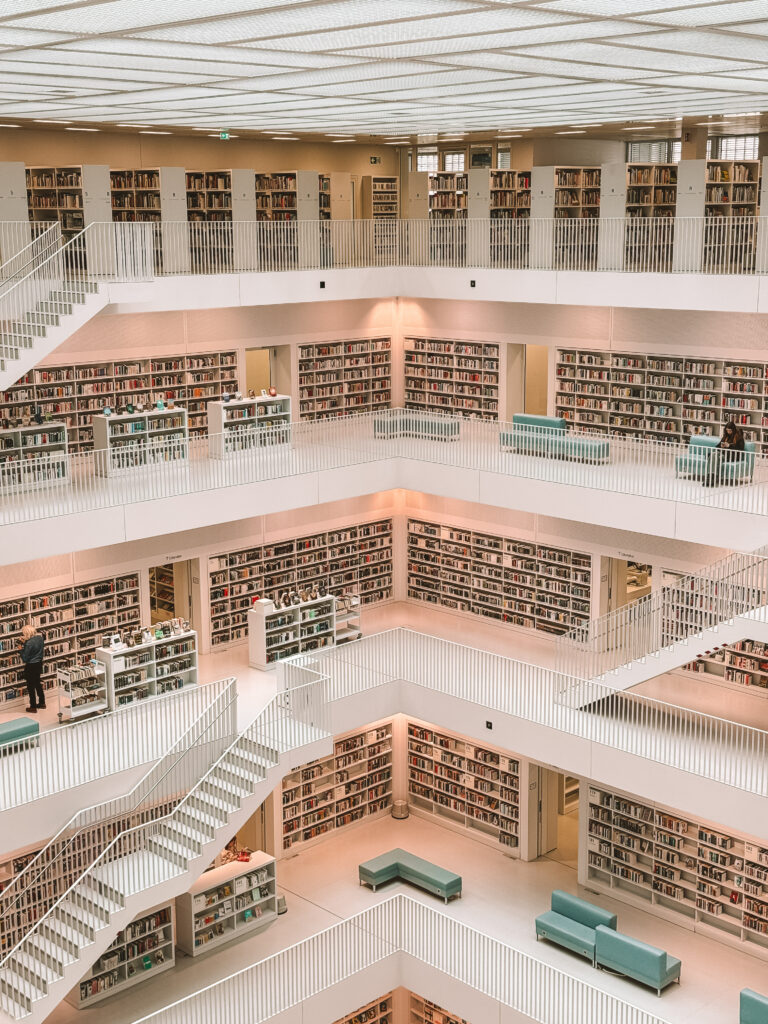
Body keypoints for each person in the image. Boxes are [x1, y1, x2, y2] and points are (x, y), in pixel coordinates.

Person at [704, 420, 745, 487]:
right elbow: (718, 445)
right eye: (727, 430)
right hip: (723, 455)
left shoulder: (739, 437)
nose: (728, 432)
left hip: (732, 456)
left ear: (733, 430)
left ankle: (710, 478)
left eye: (730, 430)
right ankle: (711, 478)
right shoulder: (725, 436)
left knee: (713, 455)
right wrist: (721, 446)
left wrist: (729, 446)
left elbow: (740, 449)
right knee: (714, 455)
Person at [19, 624, 45, 713]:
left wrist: (20, 649)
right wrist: (25, 642)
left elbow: (25, 658)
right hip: (39, 664)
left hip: (30, 666)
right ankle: (42, 703)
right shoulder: (40, 638)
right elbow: (35, 648)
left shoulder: (29, 643)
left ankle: (33, 706)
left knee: (30, 686)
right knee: (37, 683)